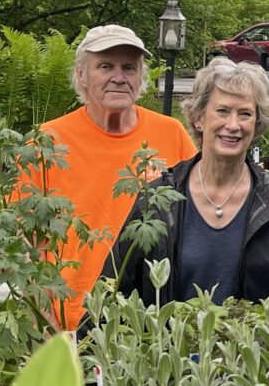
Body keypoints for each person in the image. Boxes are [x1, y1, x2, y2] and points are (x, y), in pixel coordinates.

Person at [37, 25, 196, 329]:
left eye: (129, 67)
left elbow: (195, 224)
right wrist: (49, 331)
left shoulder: (171, 134)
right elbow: (27, 249)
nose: (119, 77)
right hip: (73, 319)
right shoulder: (47, 142)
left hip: (152, 320)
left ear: (140, 76)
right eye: (105, 66)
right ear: (82, 75)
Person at [109, 59, 269, 305]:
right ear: (199, 117)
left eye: (245, 114)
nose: (233, 125)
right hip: (165, 342)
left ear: (256, 124)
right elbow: (116, 291)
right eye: (222, 111)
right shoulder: (159, 199)